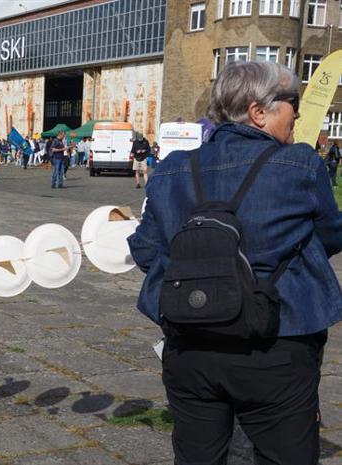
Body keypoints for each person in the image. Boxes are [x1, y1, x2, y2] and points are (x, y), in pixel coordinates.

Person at [128, 61, 342, 465]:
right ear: (258, 111)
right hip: (277, 339)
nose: (297, 114)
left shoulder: (172, 169)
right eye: (292, 103)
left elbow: (145, 252)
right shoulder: (299, 164)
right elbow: (331, 236)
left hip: (190, 341)